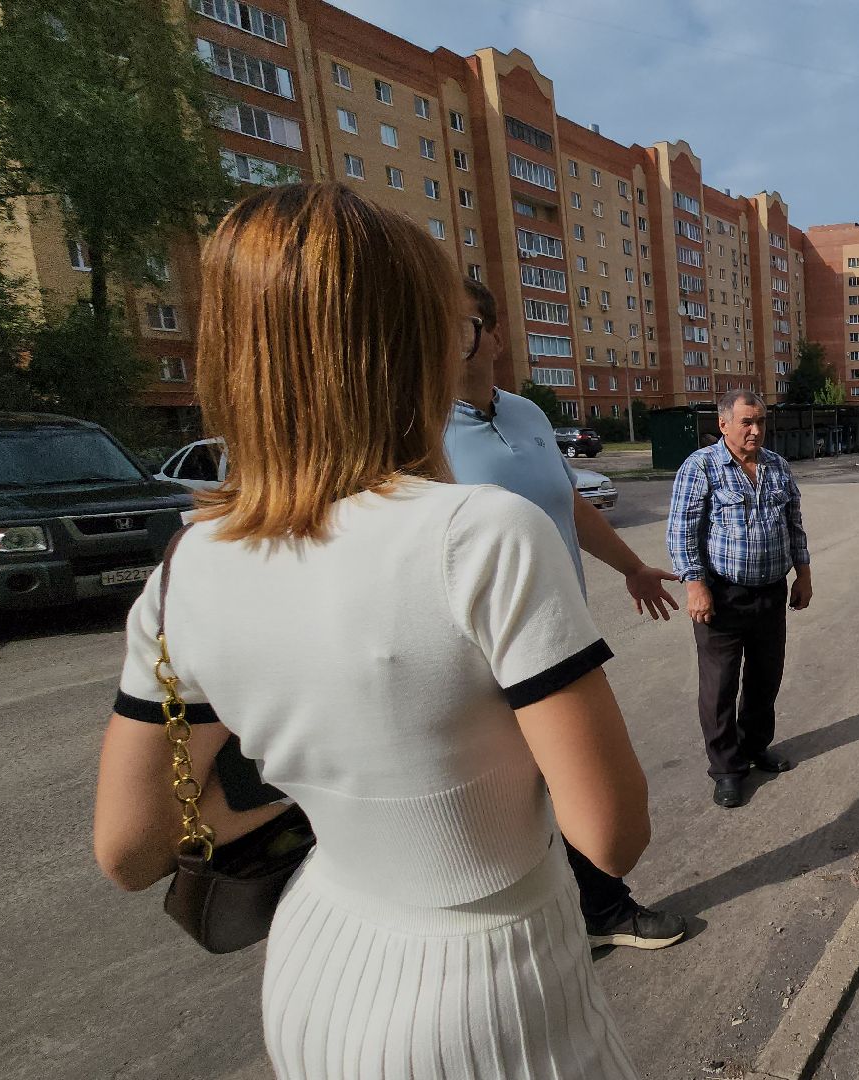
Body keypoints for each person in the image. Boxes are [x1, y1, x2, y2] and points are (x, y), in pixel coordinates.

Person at [93, 183, 648, 1078]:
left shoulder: (188, 564)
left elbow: (128, 849)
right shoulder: (484, 535)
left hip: (316, 971)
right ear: (409, 344)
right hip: (491, 993)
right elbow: (611, 833)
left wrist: (336, 802)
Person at [448, 277, 687, 952]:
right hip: (479, 656)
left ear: (493, 335)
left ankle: (588, 912)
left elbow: (570, 504)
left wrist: (632, 567)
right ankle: (586, 915)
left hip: (557, 638)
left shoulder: (524, 414)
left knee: (565, 785)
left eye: (462, 323)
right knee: (520, 794)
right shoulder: (414, 433)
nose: (446, 336)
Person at [666, 390, 812, 809]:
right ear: (724, 424)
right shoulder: (701, 467)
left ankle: (754, 747)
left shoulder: (778, 467)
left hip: (770, 591)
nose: (755, 429)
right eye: (747, 421)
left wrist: (803, 574)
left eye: (761, 421)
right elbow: (681, 532)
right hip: (721, 596)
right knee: (720, 685)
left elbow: (794, 526)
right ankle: (727, 769)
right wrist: (695, 586)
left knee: (765, 677)